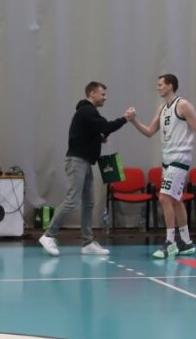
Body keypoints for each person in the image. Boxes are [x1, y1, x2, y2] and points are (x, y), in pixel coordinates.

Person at [37, 82, 134, 257]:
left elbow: (94, 132)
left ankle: (87, 242)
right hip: (77, 162)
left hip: (85, 162)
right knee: (72, 199)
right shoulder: (87, 111)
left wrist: (98, 138)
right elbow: (105, 127)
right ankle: (48, 235)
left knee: (89, 203)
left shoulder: (87, 112)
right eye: (102, 94)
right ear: (92, 94)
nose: (105, 98)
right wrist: (125, 118)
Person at [128, 74, 196, 258]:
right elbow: (149, 131)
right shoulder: (162, 108)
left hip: (180, 157)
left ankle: (170, 242)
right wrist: (133, 120)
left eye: (160, 85)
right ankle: (186, 242)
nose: (158, 88)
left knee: (164, 197)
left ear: (170, 86)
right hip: (167, 159)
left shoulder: (183, 105)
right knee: (176, 200)